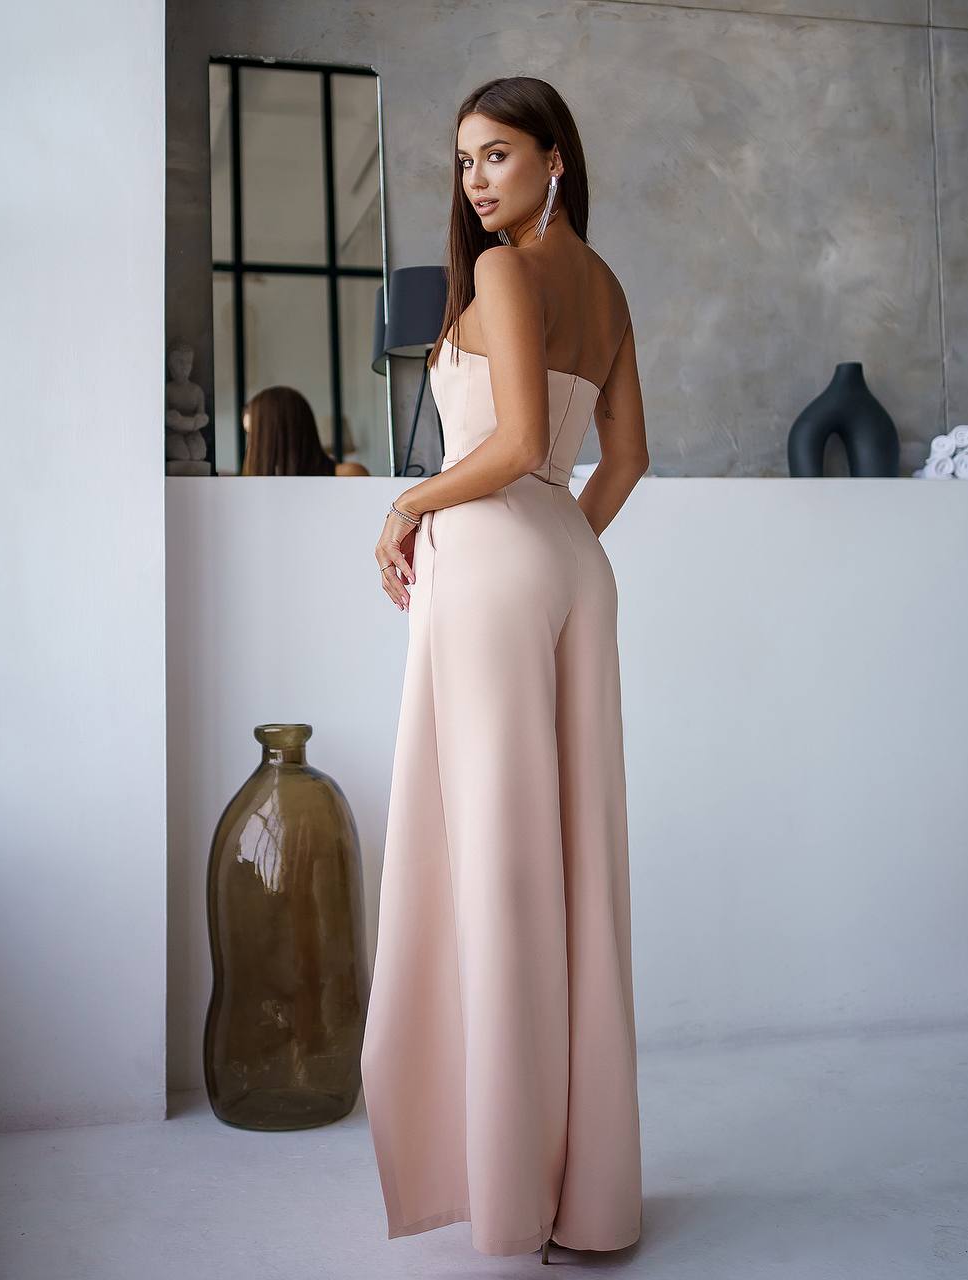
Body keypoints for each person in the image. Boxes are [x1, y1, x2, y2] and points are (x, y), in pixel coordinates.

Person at [360, 76, 650, 1262]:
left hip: (489, 558)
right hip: (575, 562)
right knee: (575, 865)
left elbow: (517, 440)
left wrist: (409, 502)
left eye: (496, 155)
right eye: (465, 161)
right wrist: (557, 541)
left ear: (553, 159)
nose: (475, 181)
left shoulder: (502, 273)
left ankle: (515, 1196)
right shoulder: (608, 286)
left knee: (497, 863)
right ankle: (591, 1201)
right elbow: (619, 461)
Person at [240, 385, 369, 476]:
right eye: (249, 434)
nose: (251, 443)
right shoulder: (253, 487)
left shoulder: (348, 475)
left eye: (256, 434)